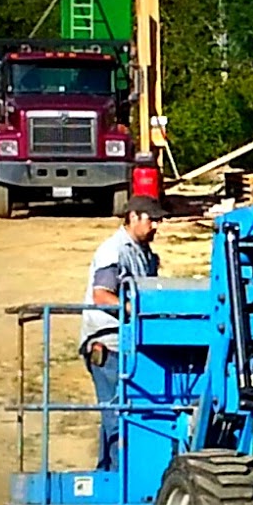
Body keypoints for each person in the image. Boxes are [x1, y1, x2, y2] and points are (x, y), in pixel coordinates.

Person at [80, 194, 166, 470]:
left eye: (158, 220)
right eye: (151, 220)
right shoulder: (114, 250)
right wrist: (133, 310)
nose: (155, 226)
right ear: (133, 217)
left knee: (121, 409)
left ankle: (108, 474)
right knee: (119, 411)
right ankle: (121, 476)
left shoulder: (144, 253)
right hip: (108, 343)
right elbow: (102, 295)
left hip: (131, 342)